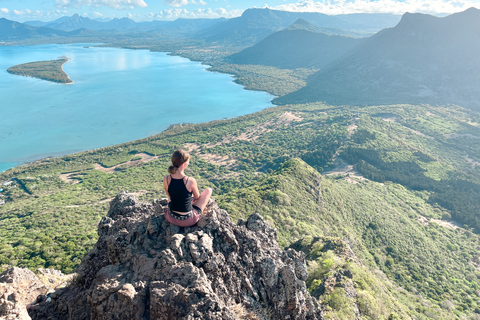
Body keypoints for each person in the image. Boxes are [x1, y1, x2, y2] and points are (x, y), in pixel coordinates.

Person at [163, 149, 212, 227]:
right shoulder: (190, 180)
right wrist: (190, 198)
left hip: (171, 217)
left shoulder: (166, 179)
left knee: (171, 197)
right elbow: (197, 197)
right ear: (183, 164)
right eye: (188, 161)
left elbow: (169, 196)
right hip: (188, 220)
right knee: (209, 190)